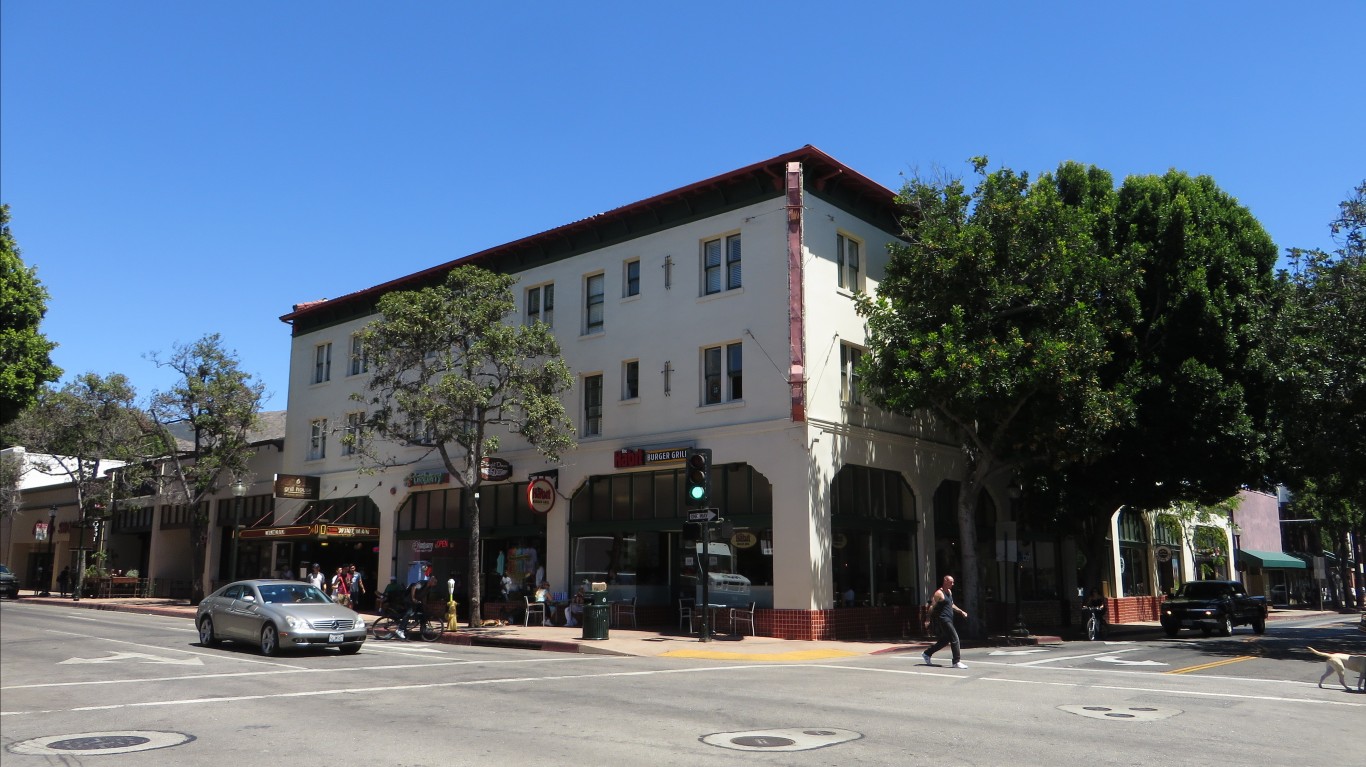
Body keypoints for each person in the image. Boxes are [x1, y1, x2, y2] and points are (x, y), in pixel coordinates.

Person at [922, 575, 969, 669]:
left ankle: (927, 653)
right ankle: (956, 661)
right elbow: (932, 607)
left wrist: (961, 611)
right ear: (945, 581)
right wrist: (927, 619)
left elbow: (951, 605)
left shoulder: (949, 592)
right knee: (955, 638)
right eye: (951, 582)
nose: (952, 584)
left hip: (949, 619)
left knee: (944, 641)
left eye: (953, 582)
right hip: (943, 619)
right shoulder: (939, 593)